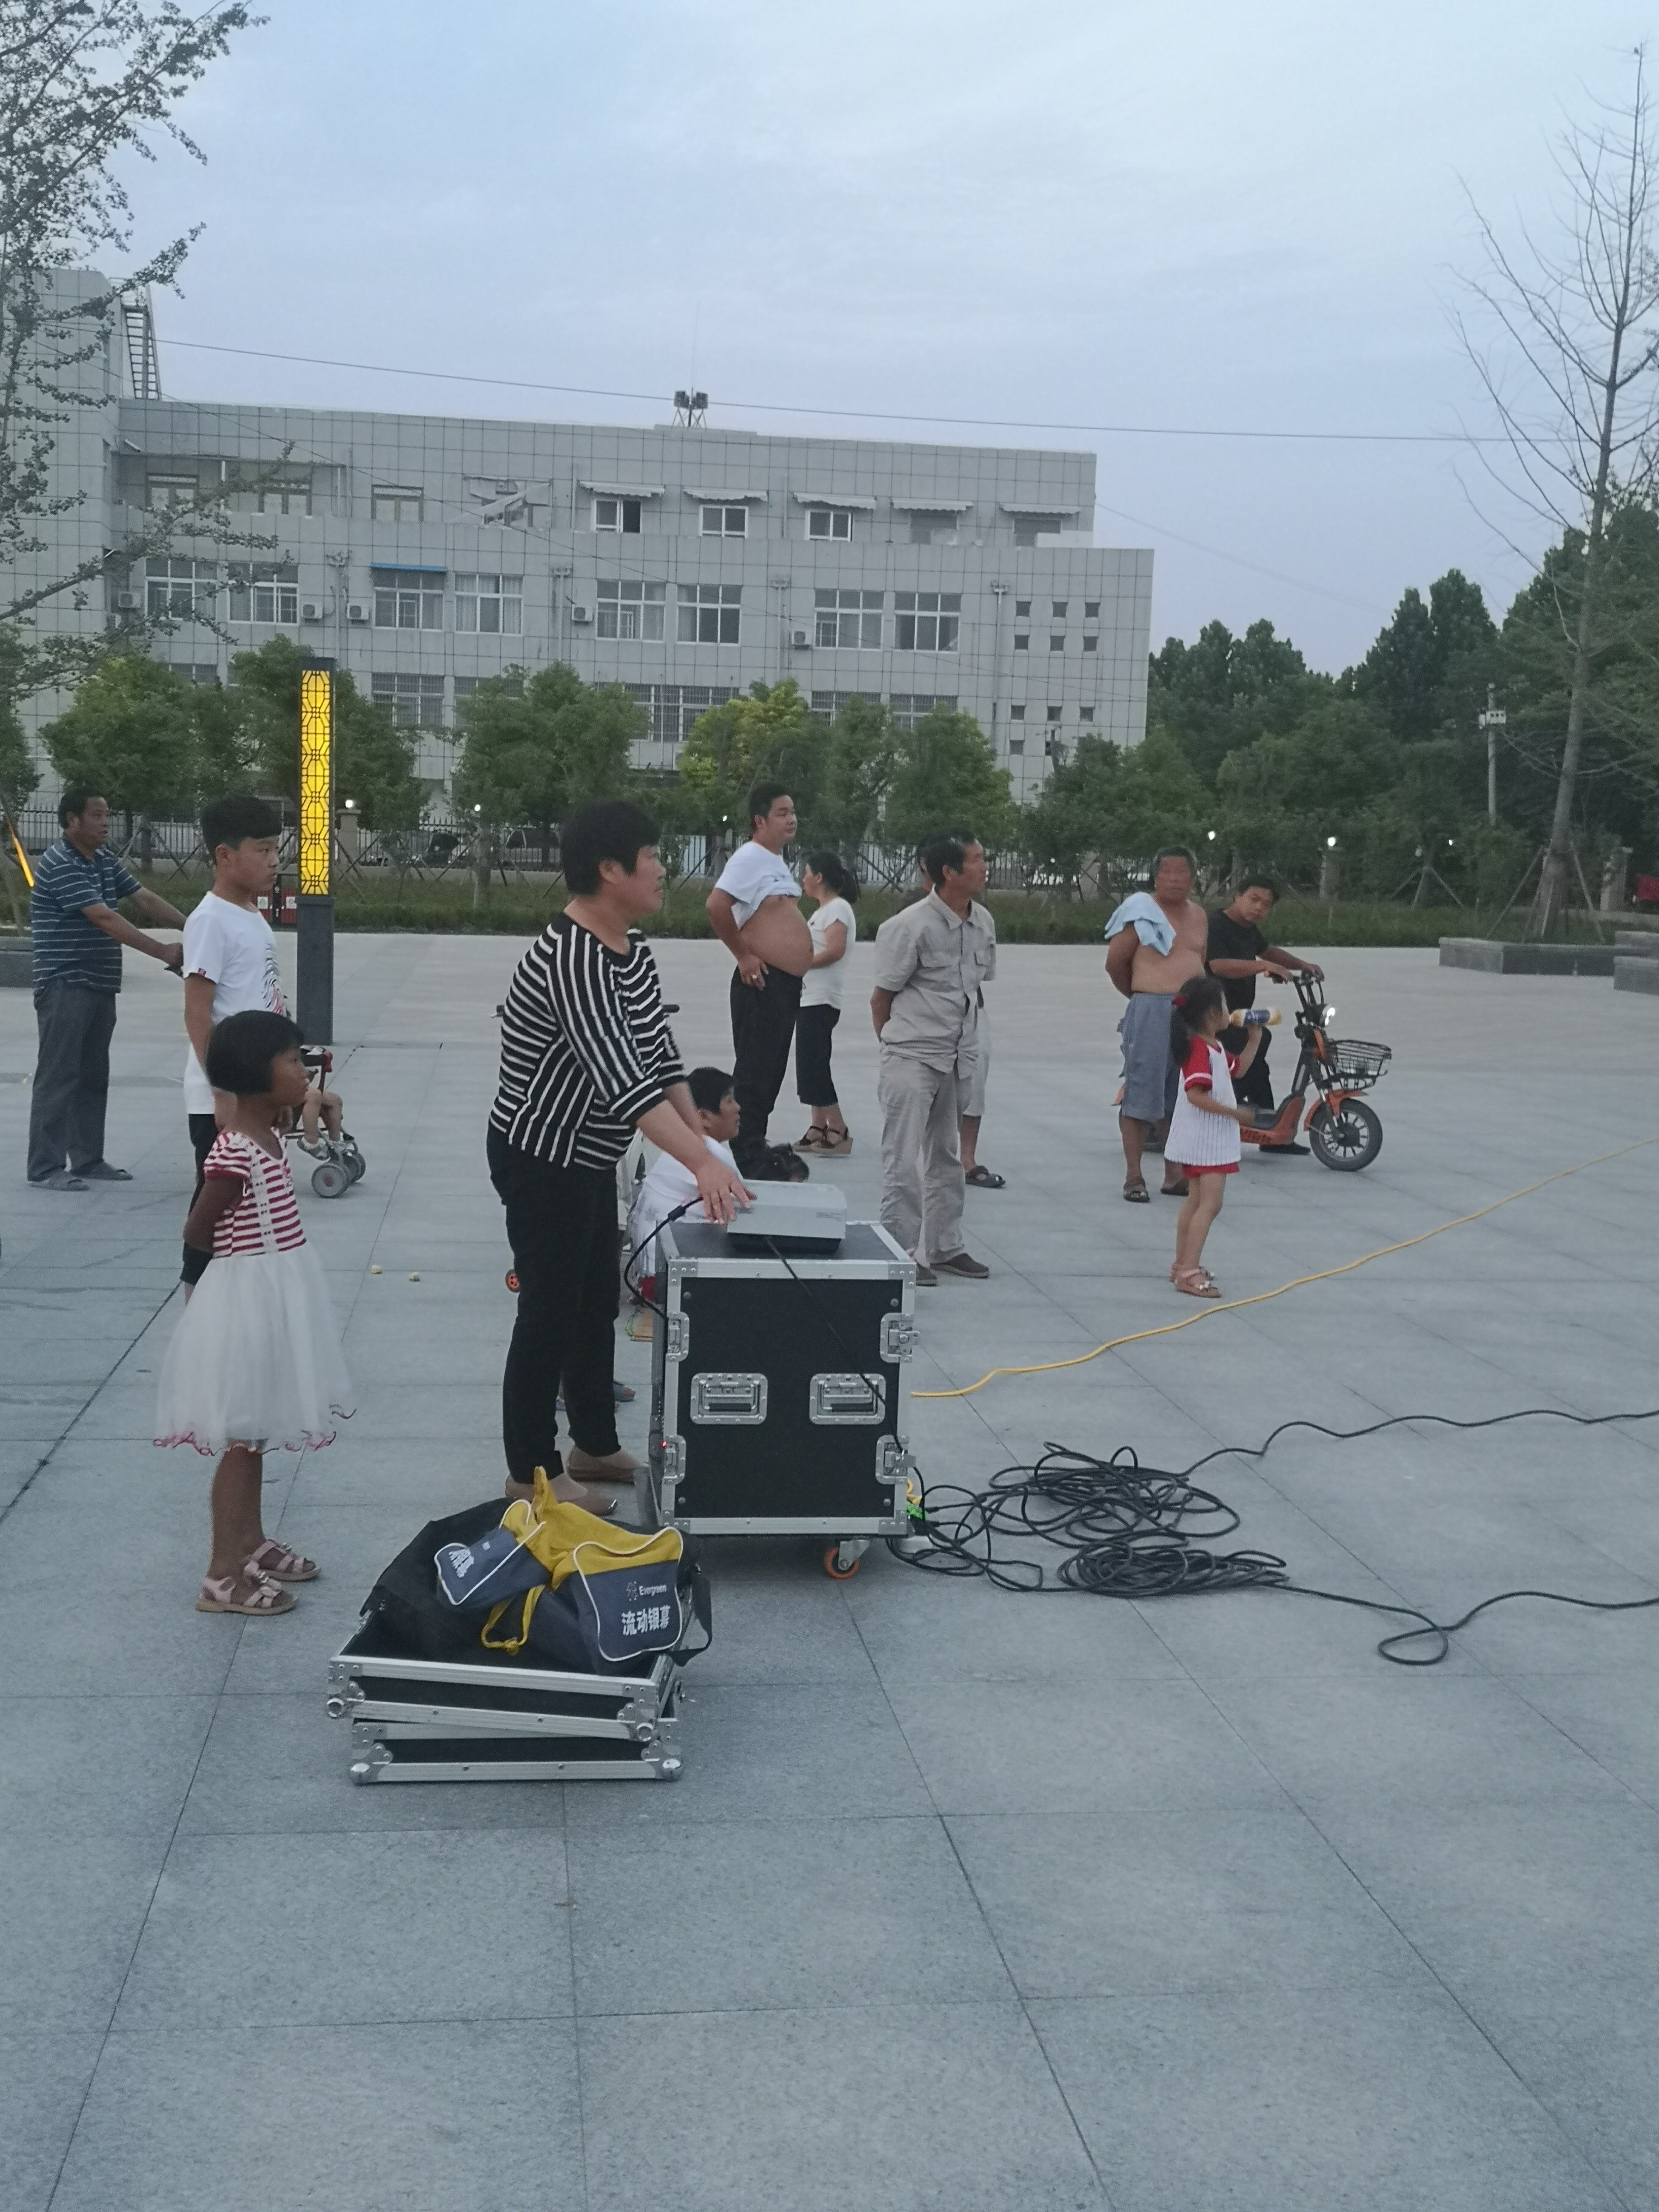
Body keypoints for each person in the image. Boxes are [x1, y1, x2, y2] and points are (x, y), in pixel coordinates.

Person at [492, 799, 751, 1513]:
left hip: (588, 1155)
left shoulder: (630, 948)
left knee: (592, 1303)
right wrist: (701, 1163)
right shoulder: (574, 958)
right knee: (549, 1311)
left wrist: (706, 1149)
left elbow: (660, 1060)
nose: (662, 869)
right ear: (611, 870)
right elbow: (626, 1086)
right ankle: (531, 1472)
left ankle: (594, 1444)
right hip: (542, 1155)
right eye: (651, 857)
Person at [154, 1010, 354, 1616]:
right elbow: (198, 1230)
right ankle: (221, 1574)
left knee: (256, 1431)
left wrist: (290, 1113)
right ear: (254, 1074)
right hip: (247, 1300)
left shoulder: (266, 1133)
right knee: (242, 1440)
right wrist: (242, 1273)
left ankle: (250, 1542)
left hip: (275, 1292)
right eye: (292, 1061)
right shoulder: (233, 1153)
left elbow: (288, 1124)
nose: (304, 1070)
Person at [178, 795, 343, 1285]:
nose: (275, 861)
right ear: (224, 855)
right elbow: (197, 1012)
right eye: (263, 850)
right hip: (225, 1097)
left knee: (253, 1216)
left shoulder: (249, 914)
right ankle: (198, 1311)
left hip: (254, 1092)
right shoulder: (210, 919)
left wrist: (277, 1092)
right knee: (214, 1216)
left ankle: (239, 1308)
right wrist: (223, 1092)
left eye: (277, 849)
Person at [27, 787, 185, 1190]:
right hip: (65, 983)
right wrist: (162, 951)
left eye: (107, 815)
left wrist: (195, 925)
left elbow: (143, 898)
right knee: (59, 1075)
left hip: (99, 984)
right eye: (96, 815)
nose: (106, 823)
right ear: (71, 821)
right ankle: (45, 1167)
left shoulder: (102, 861)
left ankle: (87, 1159)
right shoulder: (60, 862)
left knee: (93, 1076)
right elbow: (105, 919)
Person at [870, 830, 996, 1285]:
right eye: (976, 860)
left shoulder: (983, 922)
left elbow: (975, 990)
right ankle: (899, 1251)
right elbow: (881, 999)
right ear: (949, 872)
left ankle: (945, 1247)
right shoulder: (909, 926)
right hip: (912, 1056)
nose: (984, 868)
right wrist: (896, 1049)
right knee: (903, 1160)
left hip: (958, 1056)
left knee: (946, 1155)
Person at [705, 783, 814, 1180]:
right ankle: (746, 1153)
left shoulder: (775, 861)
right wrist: (744, 955)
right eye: (782, 813)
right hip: (761, 981)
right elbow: (717, 905)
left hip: (783, 985)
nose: (791, 819)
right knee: (755, 1073)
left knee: (769, 1072)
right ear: (760, 821)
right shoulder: (750, 857)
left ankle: (754, 1143)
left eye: (793, 812)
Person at [1104, 847, 1208, 1204]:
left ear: (1193, 878)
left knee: (1180, 1094)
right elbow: (1115, 964)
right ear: (1155, 877)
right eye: (1168, 873)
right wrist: (1142, 997)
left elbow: (1200, 959)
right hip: (1151, 1006)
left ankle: (1174, 1174)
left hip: (1191, 1013)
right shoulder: (1141, 911)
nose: (1175, 880)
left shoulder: (1199, 915)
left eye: (1183, 873)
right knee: (1142, 1092)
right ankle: (1134, 1175)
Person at [1205, 875, 1326, 1159]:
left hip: (1239, 1015)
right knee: (1246, 1058)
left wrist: (1302, 965)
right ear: (1237, 896)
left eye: (1266, 904)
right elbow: (1218, 966)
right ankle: (1228, 1117)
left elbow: (1267, 951)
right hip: (1215, 1016)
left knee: (1259, 1058)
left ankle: (1272, 1134)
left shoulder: (1248, 929)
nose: (1259, 907)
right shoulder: (1216, 925)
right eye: (1254, 899)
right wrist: (1262, 967)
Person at [1164, 976, 1263, 1299]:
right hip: (1206, 1140)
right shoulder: (1198, 1049)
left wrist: (1254, 1038)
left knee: (1196, 1202)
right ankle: (1189, 1272)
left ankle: (1182, 1264)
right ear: (1210, 1013)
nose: (1228, 1010)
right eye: (1224, 1004)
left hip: (1205, 1139)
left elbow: (1240, 1069)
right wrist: (1235, 1114)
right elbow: (1195, 1095)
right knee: (1210, 1204)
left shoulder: (1214, 1047)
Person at [628, 1065, 740, 1298]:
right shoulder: (711, 1157)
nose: (738, 1108)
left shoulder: (679, 1150)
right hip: (667, 1281)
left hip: (647, 1274)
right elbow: (745, 1212)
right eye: (730, 1101)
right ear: (703, 1117)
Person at [793, 850, 858, 1156]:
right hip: (809, 999)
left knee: (815, 1066)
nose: (803, 879)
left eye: (806, 873)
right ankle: (818, 1126)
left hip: (821, 1000)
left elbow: (835, 950)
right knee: (809, 1065)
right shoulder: (823, 910)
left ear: (819, 877)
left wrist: (800, 964)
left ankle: (839, 1129)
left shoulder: (838, 908)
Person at [957, 967, 1004, 1190]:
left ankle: (967, 1160)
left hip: (971, 1002)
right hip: (923, 1004)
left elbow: (985, 971)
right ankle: (919, 1160)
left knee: (976, 1075)